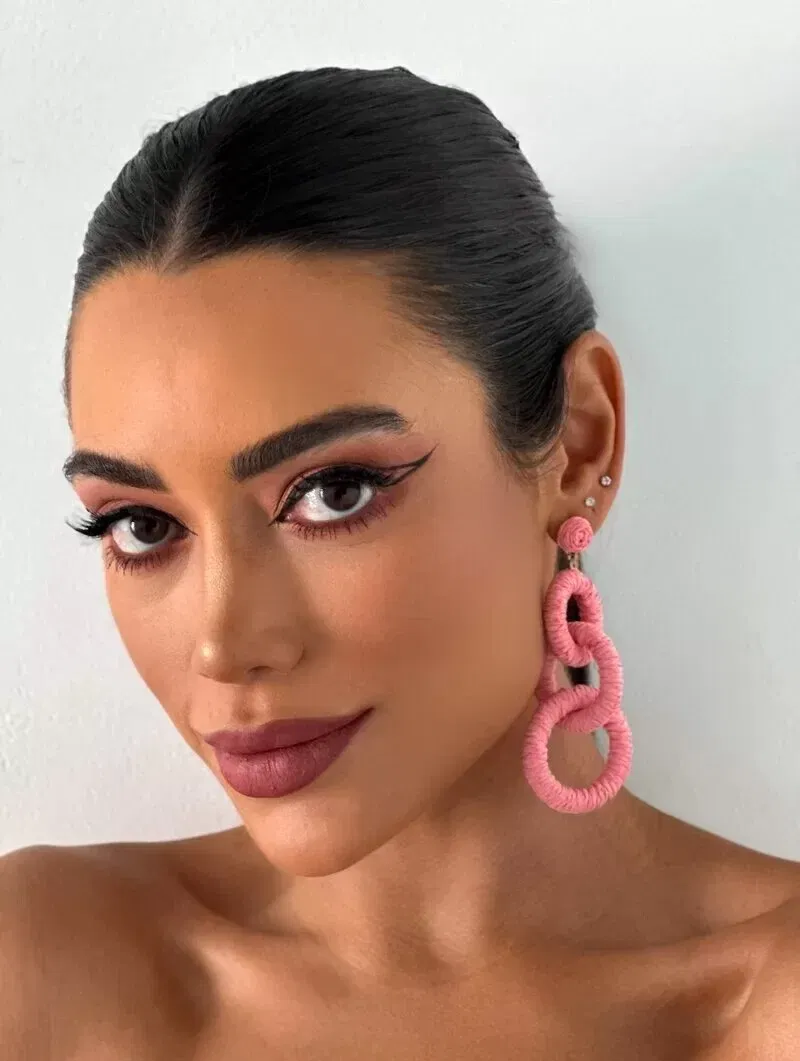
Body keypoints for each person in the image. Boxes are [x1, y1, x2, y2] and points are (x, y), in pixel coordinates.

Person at [2, 66, 799, 1058]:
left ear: (578, 443)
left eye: (334, 492)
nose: (224, 643)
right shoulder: (45, 969)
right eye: (141, 525)